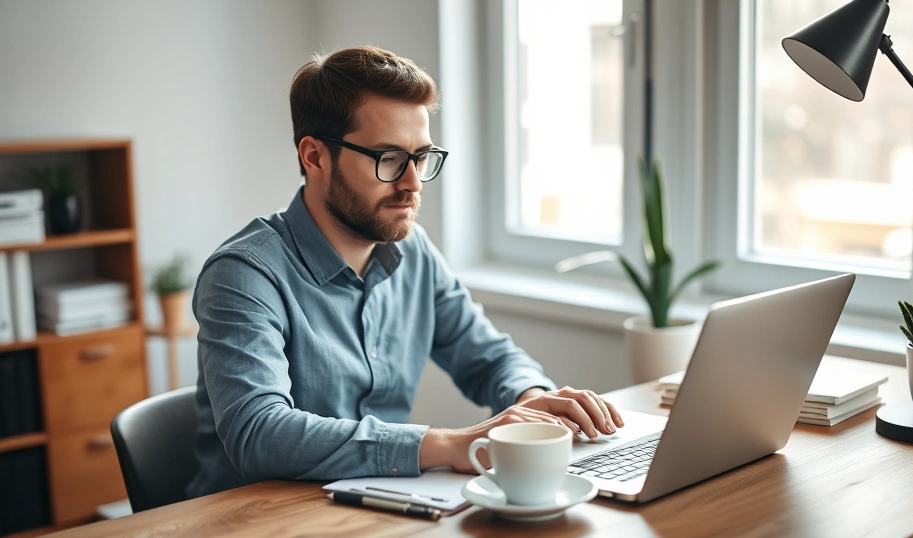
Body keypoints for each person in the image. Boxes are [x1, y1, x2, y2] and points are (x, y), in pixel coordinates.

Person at [186, 45, 625, 498]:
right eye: (389, 159)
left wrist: (532, 402)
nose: (413, 182)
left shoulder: (412, 250)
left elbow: (489, 356)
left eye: (421, 157)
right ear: (315, 157)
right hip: (255, 530)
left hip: (376, 509)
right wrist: (449, 444)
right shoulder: (244, 274)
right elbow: (259, 434)